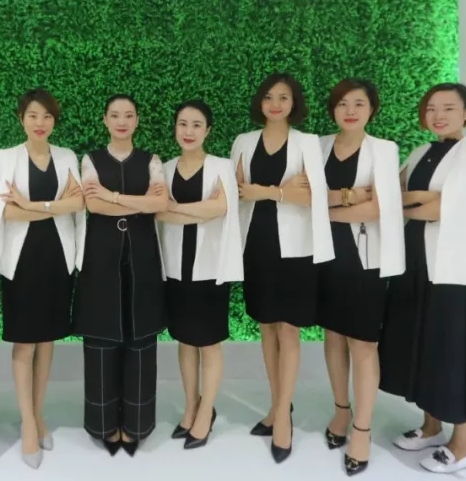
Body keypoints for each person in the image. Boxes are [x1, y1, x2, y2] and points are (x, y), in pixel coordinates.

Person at [380, 83, 466, 474]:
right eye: (431, 108)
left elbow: (440, 209)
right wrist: (416, 200)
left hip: (458, 273)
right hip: (416, 266)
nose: (438, 116)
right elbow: (393, 193)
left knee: (459, 356)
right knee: (425, 349)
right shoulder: (420, 152)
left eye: (448, 108)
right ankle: (431, 427)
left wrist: (411, 202)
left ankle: (462, 447)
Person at [228, 73, 331, 463]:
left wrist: (267, 191)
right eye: (269, 97)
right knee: (267, 327)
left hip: (296, 248)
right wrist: (287, 190)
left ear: (294, 103)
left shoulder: (307, 143)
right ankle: (277, 406)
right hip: (256, 243)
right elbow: (237, 191)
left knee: (288, 329)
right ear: (260, 101)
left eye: (283, 97)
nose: (275, 104)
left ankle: (284, 418)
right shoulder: (244, 141)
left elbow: (315, 197)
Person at [315, 78, 405, 477]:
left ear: (372, 109)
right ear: (333, 109)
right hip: (323, 256)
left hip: (364, 259)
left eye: (359, 104)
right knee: (333, 335)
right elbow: (307, 199)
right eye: (342, 104)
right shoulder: (317, 146)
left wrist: (325, 211)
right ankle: (341, 412)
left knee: (363, 343)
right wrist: (351, 197)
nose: (350, 111)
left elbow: (378, 209)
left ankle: (363, 431)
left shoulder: (383, 149)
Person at [0, 88, 85, 469]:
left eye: (47, 116)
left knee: (47, 339)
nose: (40, 122)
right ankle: (28, 422)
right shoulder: (8, 156)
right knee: (25, 341)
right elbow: (7, 213)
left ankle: (39, 412)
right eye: (32, 115)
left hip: (58, 258)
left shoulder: (66, 157)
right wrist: (54, 206)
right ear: (21, 119)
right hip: (22, 259)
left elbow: (78, 202)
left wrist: (31, 204)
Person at [72, 95, 168, 457]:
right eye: (115, 115)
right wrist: (139, 202)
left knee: (141, 336)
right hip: (100, 257)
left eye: (128, 115)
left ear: (137, 120)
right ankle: (103, 424)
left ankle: (137, 425)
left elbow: (160, 203)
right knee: (101, 335)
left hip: (143, 256)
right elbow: (92, 204)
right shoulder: (91, 160)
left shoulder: (152, 160)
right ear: (105, 120)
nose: (122, 121)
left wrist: (113, 196)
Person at [157, 99, 242, 450]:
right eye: (183, 124)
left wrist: (177, 209)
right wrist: (200, 210)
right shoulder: (163, 169)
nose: (189, 131)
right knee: (184, 339)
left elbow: (221, 208)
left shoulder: (222, 166)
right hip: (174, 267)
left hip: (210, 268)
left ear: (208, 130)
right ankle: (191, 404)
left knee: (208, 341)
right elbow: (158, 213)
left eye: (196, 125)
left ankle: (207, 410)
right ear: (175, 128)